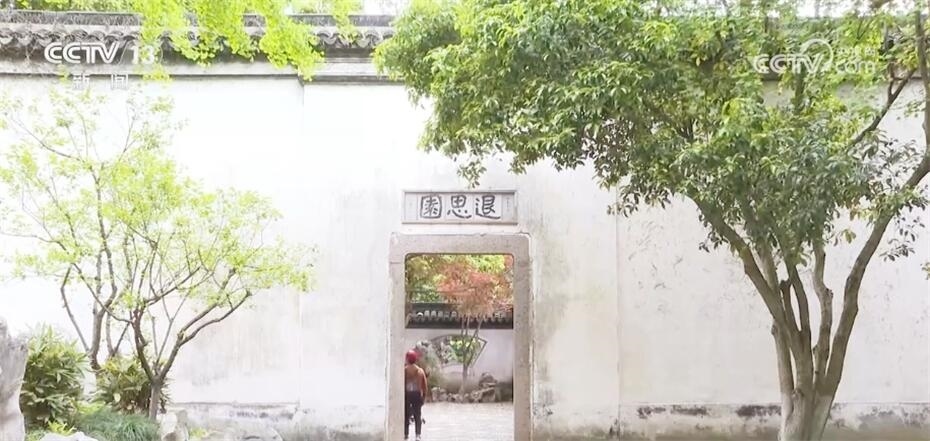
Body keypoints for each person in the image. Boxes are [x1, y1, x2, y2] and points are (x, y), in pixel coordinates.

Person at [404, 349, 428, 440]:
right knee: (417, 415)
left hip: (407, 395)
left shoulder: (404, 370)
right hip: (417, 395)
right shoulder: (420, 371)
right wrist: (424, 397)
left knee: (406, 415)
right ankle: (418, 435)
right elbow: (425, 386)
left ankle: (406, 434)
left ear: (407, 359)